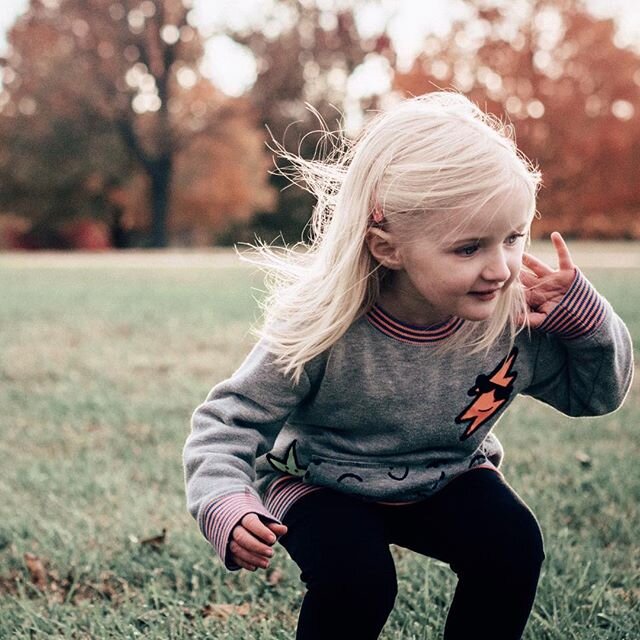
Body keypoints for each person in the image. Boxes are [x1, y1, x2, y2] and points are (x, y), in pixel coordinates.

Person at [183, 92, 633, 640]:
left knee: (512, 545)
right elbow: (227, 422)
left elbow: (596, 396)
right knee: (360, 579)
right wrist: (227, 503)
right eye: (469, 248)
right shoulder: (324, 327)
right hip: (319, 485)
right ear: (387, 246)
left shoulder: (514, 319)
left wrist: (586, 323)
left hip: (447, 476)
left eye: (513, 238)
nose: (501, 268)